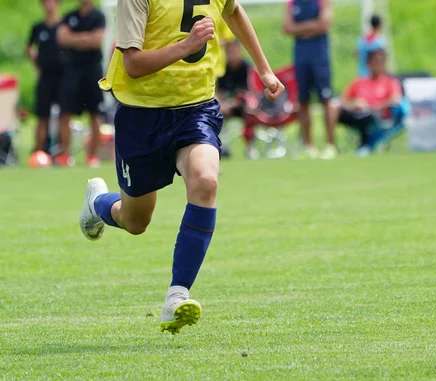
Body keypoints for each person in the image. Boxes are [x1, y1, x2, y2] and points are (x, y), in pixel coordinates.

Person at [80, 0, 284, 334]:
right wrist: (187, 46)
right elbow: (132, 64)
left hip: (196, 109)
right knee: (135, 221)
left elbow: (233, 10)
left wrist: (264, 69)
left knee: (206, 180)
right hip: (140, 115)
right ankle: (97, 204)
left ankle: (177, 295)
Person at [283, 0, 337, 159]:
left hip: (320, 57)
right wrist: (312, 27)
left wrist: (299, 29)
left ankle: (330, 145)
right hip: (300, 57)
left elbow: (324, 24)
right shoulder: (292, 3)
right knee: (303, 101)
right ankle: (308, 146)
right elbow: (287, 28)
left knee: (326, 99)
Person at [56, 0, 106, 167]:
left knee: (95, 113)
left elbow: (97, 40)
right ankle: (65, 154)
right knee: (65, 112)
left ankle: (93, 155)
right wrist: (85, 38)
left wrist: (74, 39)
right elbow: (62, 38)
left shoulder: (99, 16)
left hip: (92, 70)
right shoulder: (70, 16)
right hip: (72, 70)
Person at [338, 49, 402, 156]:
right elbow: (343, 99)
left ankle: (365, 145)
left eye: (382, 62)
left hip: (378, 116)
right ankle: (331, 146)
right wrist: (353, 105)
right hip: (357, 114)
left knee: (367, 115)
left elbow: (396, 99)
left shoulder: (390, 82)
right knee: (335, 111)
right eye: (376, 62)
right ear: (368, 63)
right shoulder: (359, 82)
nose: (380, 65)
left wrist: (373, 107)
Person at [26, 0, 65, 161]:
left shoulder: (64, 27)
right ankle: (39, 153)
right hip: (45, 78)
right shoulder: (38, 27)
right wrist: (37, 65)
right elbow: (29, 48)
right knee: (42, 116)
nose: (49, 5)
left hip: (63, 78)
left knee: (64, 115)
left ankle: (63, 154)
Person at [217, 40, 258, 159]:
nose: (232, 54)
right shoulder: (223, 69)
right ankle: (221, 146)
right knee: (216, 113)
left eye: (234, 50)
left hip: (243, 105)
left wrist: (233, 103)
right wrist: (222, 104)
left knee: (250, 113)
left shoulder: (246, 68)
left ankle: (250, 147)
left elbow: (250, 92)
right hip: (227, 106)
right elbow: (219, 91)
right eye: (229, 51)